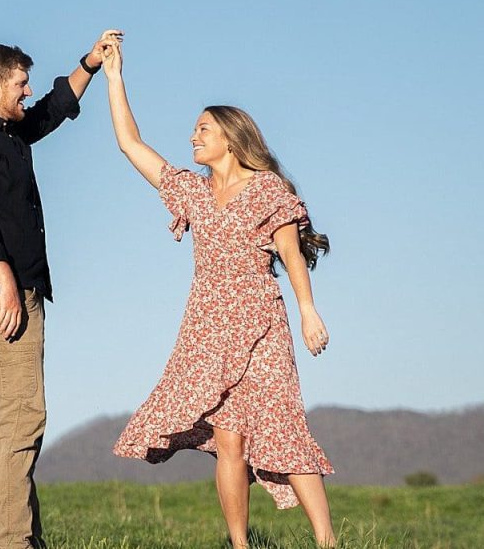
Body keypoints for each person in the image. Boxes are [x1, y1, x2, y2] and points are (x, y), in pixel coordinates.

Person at [100, 42, 337, 548]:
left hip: (261, 324)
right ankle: (239, 545)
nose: (192, 136)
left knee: (281, 425)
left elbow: (292, 256)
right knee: (229, 442)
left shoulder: (268, 189)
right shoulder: (192, 192)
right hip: (208, 330)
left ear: (231, 138)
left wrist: (308, 312)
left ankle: (326, 542)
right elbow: (131, 144)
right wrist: (114, 78)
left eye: (202, 129)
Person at [0, 31, 123, 549]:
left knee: (24, 416)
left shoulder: (6, 131)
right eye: (20, 82)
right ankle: (11, 542)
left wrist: (90, 62)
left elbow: (50, 112)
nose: (27, 90)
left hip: (12, 291)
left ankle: (25, 540)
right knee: (20, 419)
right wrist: (8, 286)